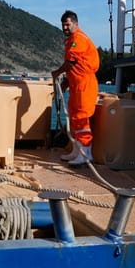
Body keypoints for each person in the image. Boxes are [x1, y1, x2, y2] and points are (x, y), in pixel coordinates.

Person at [52, 10, 100, 166]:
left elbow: (71, 61)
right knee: (74, 118)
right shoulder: (72, 39)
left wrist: (57, 72)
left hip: (84, 85)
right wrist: (66, 81)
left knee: (81, 118)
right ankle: (76, 150)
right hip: (76, 84)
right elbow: (75, 66)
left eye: (68, 24)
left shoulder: (78, 39)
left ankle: (86, 154)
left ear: (75, 23)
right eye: (63, 25)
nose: (65, 27)